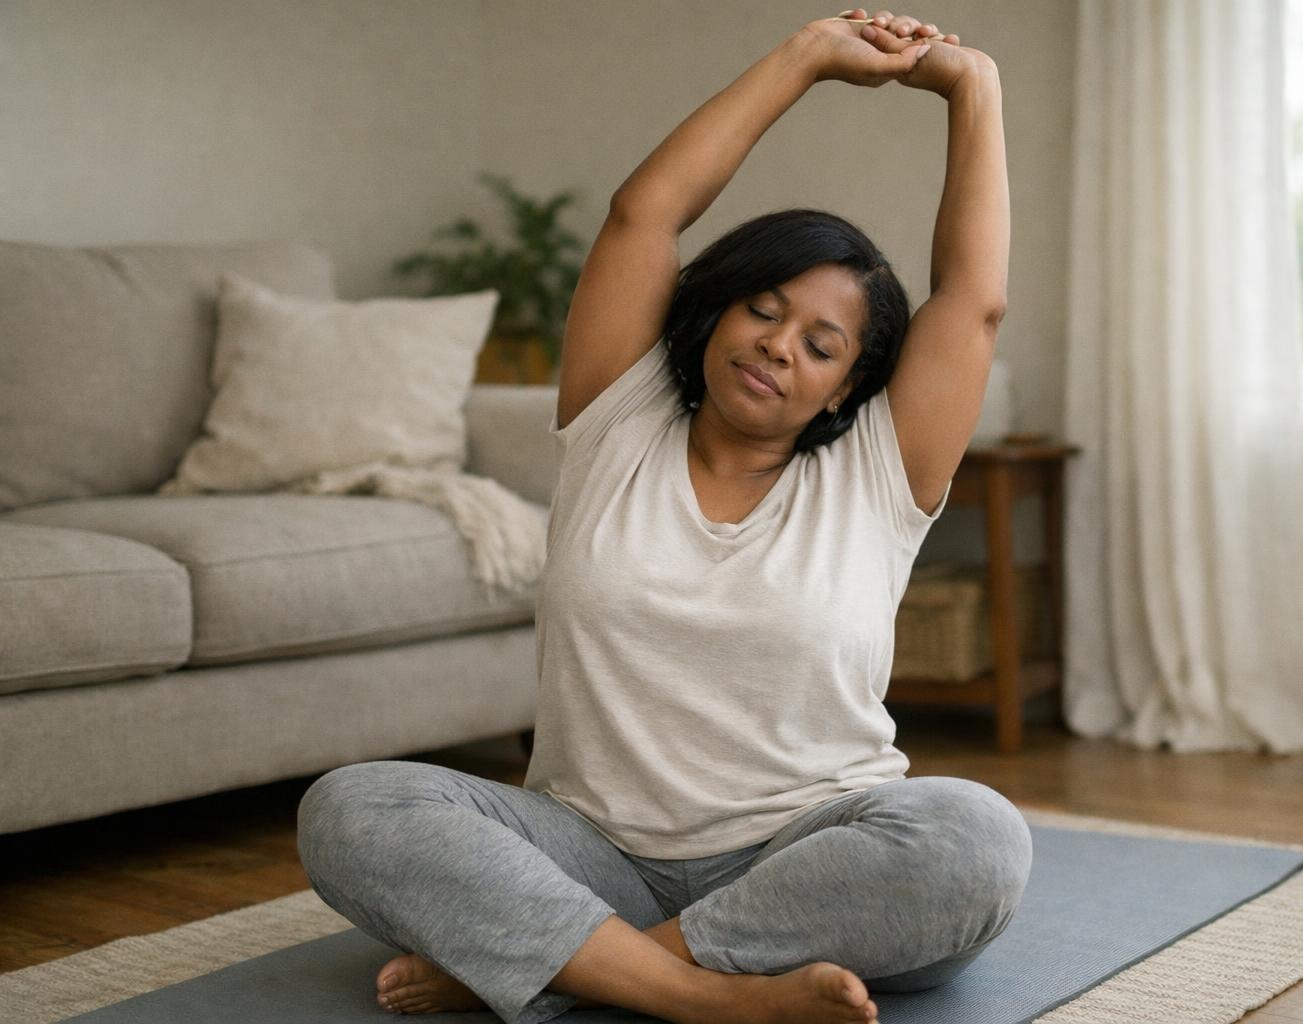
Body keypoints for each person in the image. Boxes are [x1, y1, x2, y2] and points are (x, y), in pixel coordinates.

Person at [295, 9, 1028, 1024]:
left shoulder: (875, 469)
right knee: (351, 807)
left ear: (846, 389)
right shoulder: (617, 416)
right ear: (718, 309)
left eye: (821, 345)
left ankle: (566, 964)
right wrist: (809, 54)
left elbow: (974, 299)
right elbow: (644, 214)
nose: (779, 346)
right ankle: (702, 995)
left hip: (802, 861)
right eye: (763, 310)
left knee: (976, 840)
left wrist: (972, 86)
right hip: (590, 854)